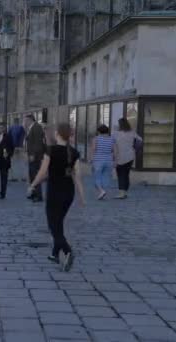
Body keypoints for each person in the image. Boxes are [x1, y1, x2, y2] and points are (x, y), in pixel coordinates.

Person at [28, 123, 86, 272]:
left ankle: (67, 251)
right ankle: (55, 253)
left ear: (57, 134)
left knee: (53, 225)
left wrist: (33, 185)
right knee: (58, 222)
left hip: (55, 191)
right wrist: (81, 196)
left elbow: (42, 172)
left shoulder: (51, 151)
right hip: (68, 192)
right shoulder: (73, 152)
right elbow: (77, 176)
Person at [114, 118, 141, 199]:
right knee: (126, 174)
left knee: (121, 175)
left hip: (120, 157)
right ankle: (125, 192)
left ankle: (121, 193)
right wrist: (135, 148)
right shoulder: (132, 133)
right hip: (130, 156)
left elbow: (113, 143)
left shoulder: (116, 133)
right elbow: (140, 140)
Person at [89, 124, 117, 200]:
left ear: (99, 132)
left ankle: (101, 191)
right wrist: (115, 161)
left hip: (98, 160)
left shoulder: (96, 139)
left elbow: (93, 149)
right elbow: (115, 151)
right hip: (109, 160)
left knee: (97, 176)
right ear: (107, 131)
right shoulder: (112, 139)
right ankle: (102, 190)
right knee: (105, 177)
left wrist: (91, 159)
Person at [25, 115, 46, 202]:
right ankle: (34, 193)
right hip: (31, 155)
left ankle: (39, 195)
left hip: (35, 156)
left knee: (35, 175)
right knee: (31, 175)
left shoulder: (36, 127)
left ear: (30, 120)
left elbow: (38, 143)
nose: (25, 122)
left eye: (25, 120)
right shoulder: (31, 128)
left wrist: (33, 154)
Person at [8, 117, 26, 182]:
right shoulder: (21, 128)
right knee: (22, 163)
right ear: (18, 121)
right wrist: (20, 145)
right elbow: (23, 137)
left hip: (13, 148)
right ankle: (23, 177)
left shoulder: (11, 128)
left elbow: (8, 138)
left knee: (12, 163)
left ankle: (13, 177)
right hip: (20, 147)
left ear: (14, 121)